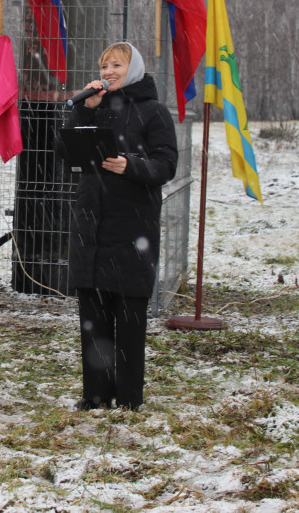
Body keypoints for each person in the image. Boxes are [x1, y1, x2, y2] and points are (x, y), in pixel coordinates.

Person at [55, 41, 178, 410]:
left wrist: (131, 165)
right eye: (104, 66)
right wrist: (84, 112)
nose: (108, 72)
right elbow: (66, 152)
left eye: (117, 66)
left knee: (128, 317)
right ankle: (95, 396)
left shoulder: (154, 112)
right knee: (93, 317)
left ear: (134, 69)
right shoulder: (94, 107)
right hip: (91, 228)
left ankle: (128, 399)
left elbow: (166, 164)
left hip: (131, 229)